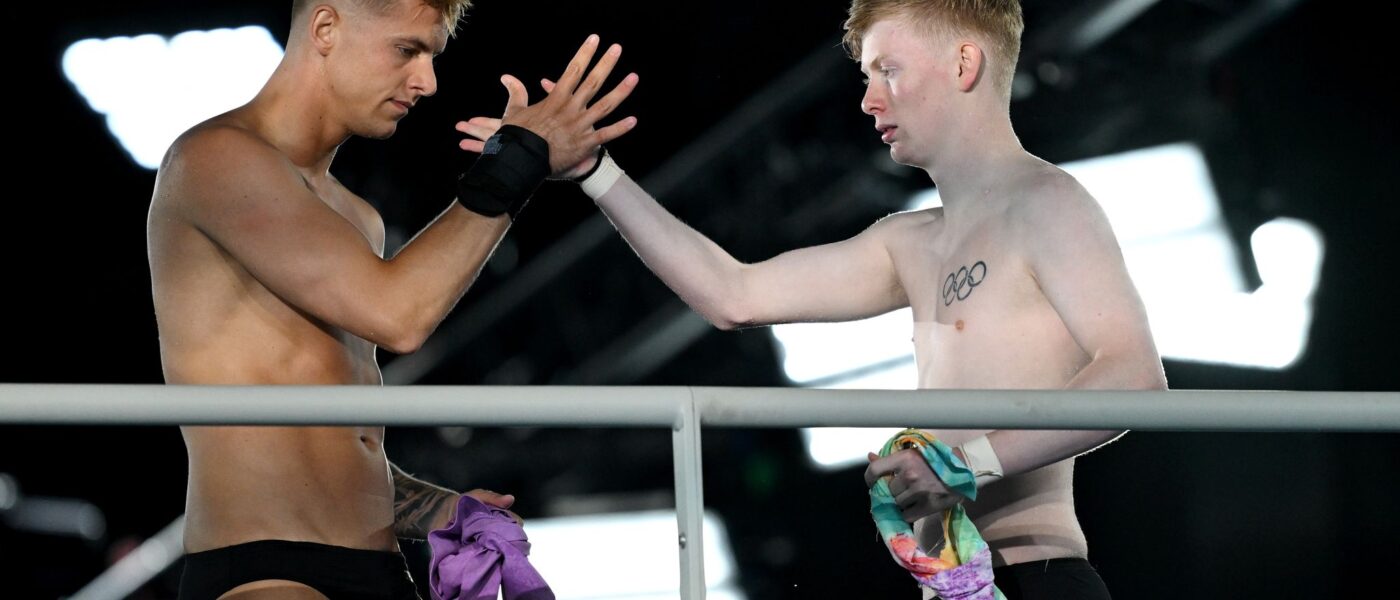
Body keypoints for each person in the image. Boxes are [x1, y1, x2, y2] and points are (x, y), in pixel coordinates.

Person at [460, 0, 1165, 597]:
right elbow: (731, 292)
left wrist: (962, 465)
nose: (868, 99)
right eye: (867, 77)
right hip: (947, 581)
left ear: (963, 64)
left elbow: (1134, 380)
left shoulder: (1048, 201)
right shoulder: (910, 241)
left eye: (888, 70)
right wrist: (593, 170)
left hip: (1034, 573)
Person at [146, 0, 638, 596]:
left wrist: (439, 512)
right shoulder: (215, 160)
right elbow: (397, 316)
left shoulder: (354, 217)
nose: (427, 82)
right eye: (408, 50)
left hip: (379, 570)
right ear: (325, 29)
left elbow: (342, 442)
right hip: (266, 572)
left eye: (432, 57)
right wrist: (517, 163)